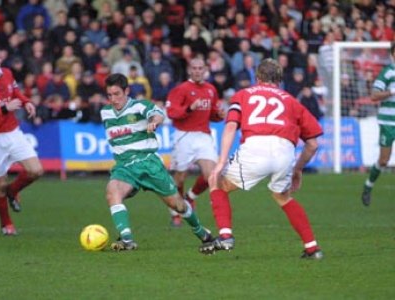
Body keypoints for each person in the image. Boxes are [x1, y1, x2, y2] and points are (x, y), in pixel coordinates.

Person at [199, 58, 324, 260]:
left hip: (255, 147)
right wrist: (298, 170)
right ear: (280, 79)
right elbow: (313, 144)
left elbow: (230, 126)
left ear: (257, 78)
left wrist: (221, 161)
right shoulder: (292, 101)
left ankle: (225, 235)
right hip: (285, 151)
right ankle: (312, 248)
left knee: (216, 183)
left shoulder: (242, 95)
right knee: (282, 197)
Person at [101, 73, 213, 251]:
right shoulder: (105, 112)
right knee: (112, 193)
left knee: (178, 205)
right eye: (109, 95)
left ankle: (202, 233)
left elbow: (157, 114)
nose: (113, 99)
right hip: (124, 167)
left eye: (117, 94)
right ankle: (127, 240)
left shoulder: (139, 106)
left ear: (126, 91)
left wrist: (154, 122)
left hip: (148, 164)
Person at [166, 57, 225, 226]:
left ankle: (190, 197)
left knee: (211, 175)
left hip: (203, 136)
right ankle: (176, 210)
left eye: (201, 68)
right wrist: (189, 108)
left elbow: (212, 113)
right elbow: (171, 112)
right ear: (189, 70)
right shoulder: (181, 89)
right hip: (184, 136)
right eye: (194, 68)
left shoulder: (211, 89)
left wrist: (218, 116)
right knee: (179, 178)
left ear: (205, 69)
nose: (198, 71)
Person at [0, 46, 43, 234]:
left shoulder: (6, 73)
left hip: (13, 132)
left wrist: (26, 101)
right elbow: (7, 105)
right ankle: (6, 223)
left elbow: (16, 93)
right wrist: (5, 108)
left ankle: (13, 191)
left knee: (36, 170)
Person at [361, 43, 395, 206]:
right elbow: (374, 96)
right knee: (383, 160)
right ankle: (368, 186)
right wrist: (391, 92)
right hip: (388, 123)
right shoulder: (388, 72)